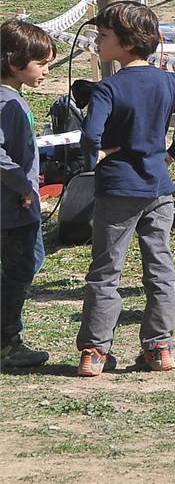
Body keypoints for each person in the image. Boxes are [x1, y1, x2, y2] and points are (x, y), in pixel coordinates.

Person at [76, 2, 175, 376]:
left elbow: (90, 136)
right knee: (159, 268)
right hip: (158, 189)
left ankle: (94, 351)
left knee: (106, 271)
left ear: (125, 43)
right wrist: (172, 155)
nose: (97, 41)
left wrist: (98, 156)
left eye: (103, 36)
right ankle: (159, 347)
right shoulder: (171, 81)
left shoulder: (107, 88)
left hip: (118, 190)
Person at [0, 20, 56, 370]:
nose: (46, 71)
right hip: (13, 208)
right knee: (21, 270)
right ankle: (8, 343)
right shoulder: (10, 104)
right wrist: (23, 186)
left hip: (17, 204)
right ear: (14, 61)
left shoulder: (13, 100)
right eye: (41, 64)